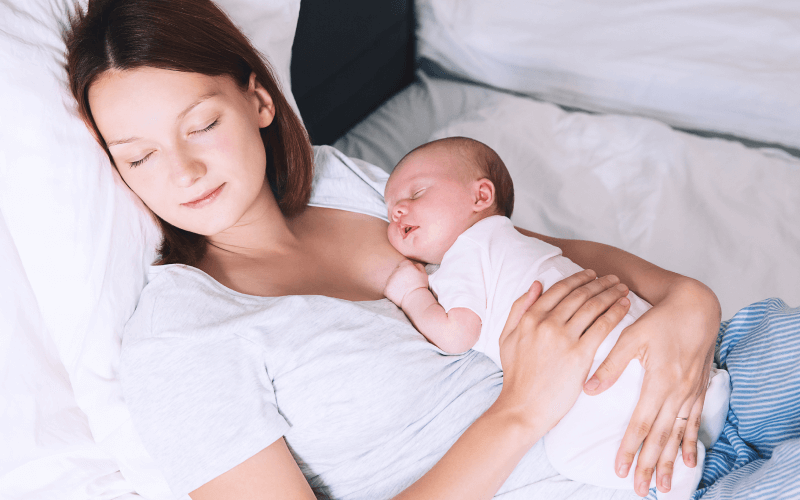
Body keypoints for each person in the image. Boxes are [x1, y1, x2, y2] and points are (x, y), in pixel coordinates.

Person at [65, 1, 793, 499]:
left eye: (200, 125)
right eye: (140, 156)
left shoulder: (343, 185)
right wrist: (521, 411)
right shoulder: (182, 341)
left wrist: (687, 302)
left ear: (258, 102)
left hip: (711, 370)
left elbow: (528, 246)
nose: (184, 172)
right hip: (638, 476)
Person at [382, 137, 733, 499]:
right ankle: (710, 396)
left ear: (481, 196)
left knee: (569, 453)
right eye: (390, 207)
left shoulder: (461, 257)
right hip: (639, 331)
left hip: (590, 372)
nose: (398, 212)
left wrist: (414, 296)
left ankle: (671, 475)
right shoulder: (510, 238)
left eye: (417, 193)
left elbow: (457, 334)